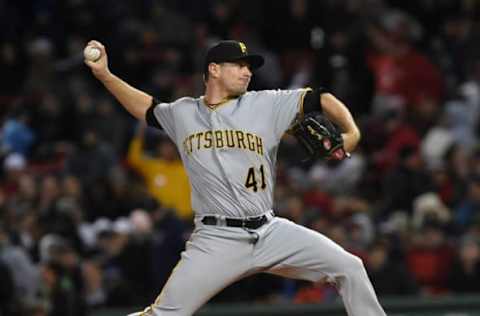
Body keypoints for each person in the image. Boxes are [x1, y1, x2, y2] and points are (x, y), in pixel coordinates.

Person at [85, 39, 386, 316]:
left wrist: (352, 132)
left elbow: (321, 98)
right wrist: (105, 75)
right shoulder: (183, 113)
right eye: (239, 65)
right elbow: (147, 108)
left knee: (350, 267)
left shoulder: (266, 103)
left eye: (249, 67)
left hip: (270, 232)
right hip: (216, 239)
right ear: (214, 69)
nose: (247, 72)